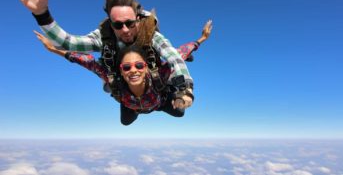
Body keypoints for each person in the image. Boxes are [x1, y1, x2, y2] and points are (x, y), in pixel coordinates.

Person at [8, 0, 194, 103]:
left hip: (153, 83)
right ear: (110, 24)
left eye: (130, 23)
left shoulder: (151, 34)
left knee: (174, 106)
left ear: (138, 20)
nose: (125, 29)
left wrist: (185, 90)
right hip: (124, 86)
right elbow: (69, 43)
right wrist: (42, 14)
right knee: (121, 104)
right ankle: (127, 103)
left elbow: (174, 57)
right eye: (118, 25)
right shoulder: (104, 36)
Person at [34, 16, 212, 125]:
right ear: (121, 69)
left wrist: (201, 39)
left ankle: (168, 93)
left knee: (179, 112)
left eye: (139, 65)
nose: (133, 71)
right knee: (125, 122)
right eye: (127, 67)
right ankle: (136, 108)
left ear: (146, 67)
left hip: (160, 101)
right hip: (132, 105)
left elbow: (180, 53)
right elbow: (83, 59)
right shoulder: (114, 79)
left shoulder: (158, 73)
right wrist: (54, 49)